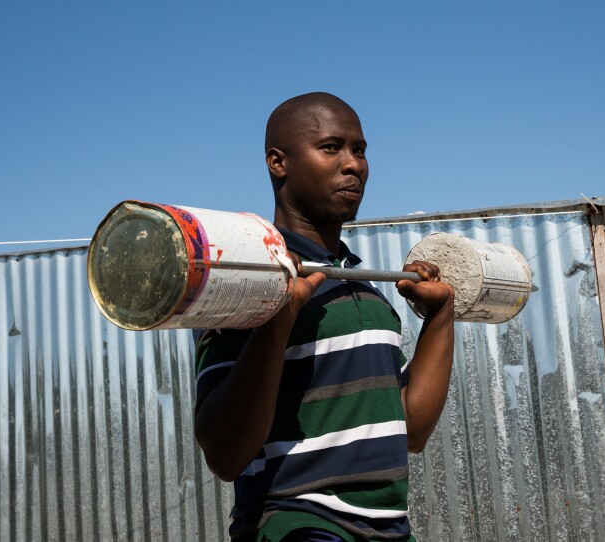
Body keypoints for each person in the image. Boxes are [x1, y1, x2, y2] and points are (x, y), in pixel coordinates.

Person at [194, 92, 455, 541]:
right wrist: (280, 318)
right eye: (331, 148)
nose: (354, 164)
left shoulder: (363, 286)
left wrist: (441, 317)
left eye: (360, 150)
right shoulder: (247, 278)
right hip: (298, 525)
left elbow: (410, 428)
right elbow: (225, 453)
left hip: (389, 529)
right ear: (278, 162)